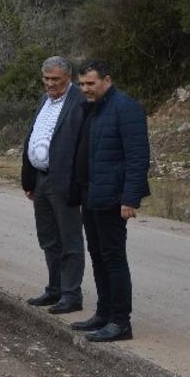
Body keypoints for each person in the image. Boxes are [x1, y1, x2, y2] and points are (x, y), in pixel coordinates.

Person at [70, 59, 151, 342]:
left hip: (113, 197)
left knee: (114, 259)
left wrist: (130, 198)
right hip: (91, 195)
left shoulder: (126, 108)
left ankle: (120, 322)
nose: (85, 89)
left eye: (90, 83)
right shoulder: (92, 109)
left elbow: (138, 157)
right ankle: (103, 313)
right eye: (81, 84)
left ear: (107, 80)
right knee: (98, 255)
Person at [22, 56, 86, 315]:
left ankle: (72, 295)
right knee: (48, 237)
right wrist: (30, 180)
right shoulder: (44, 100)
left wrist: (79, 183)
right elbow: (33, 137)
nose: (50, 84)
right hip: (41, 179)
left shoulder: (79, 101)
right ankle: (55, 288)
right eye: (46, 79)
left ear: (68, 78)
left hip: (65, 181)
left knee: (69, 239)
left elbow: (83, 145)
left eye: (55, 79)